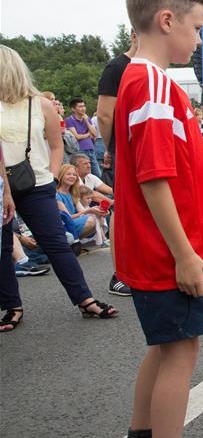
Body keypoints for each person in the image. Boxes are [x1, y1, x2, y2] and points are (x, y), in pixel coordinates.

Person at [113, 0, 203, 438]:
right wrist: (184, 253)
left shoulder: (139, 79)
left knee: (163, 349)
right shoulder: (154, 82)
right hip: (166, 251)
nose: (198, 39)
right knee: (180, 354)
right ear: (166, 20)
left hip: (154, 246)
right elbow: (155, 177)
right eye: (196, 28)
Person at [0, 45, 119, 333]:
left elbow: (56, 145)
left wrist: (52, 177)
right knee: (3, 248)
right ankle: (12, 306)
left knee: (56, 244)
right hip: (1, 186)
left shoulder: (39, 104)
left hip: (37, 183)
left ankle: (84, 299)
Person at [96, 27, 138, 296]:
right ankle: (119, 274)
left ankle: (136, 269)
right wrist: (111, 146)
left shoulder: (150, 67)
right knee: (122, 211)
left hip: (140, 148)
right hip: (123, 148)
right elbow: (104, 115)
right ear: (134, 33)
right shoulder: (117, 67)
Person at [55, 164, 106, 243]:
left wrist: (98, 211)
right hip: (64, 225)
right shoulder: (57, 194)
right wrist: (88, 211)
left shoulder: (72, 192)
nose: (72, 176)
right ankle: (71, 242)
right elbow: (68, 218)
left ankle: (76, 242)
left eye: (74, 175)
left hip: (72, 222)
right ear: (61, 175)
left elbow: (82, 210)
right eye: (68, 174)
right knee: (91, 220)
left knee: (100, 219)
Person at [65, 98, 102, 177]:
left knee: (98, 174)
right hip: (80, 150)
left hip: (91, 149)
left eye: (84, 106)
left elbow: (95, 133)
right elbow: (77, 137)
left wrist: (87, 122)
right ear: (73, 109)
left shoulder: (87, 118)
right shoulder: (69, 120)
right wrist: (88, 134)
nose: (83, 108)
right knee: (84, 175)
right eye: (80, 106)